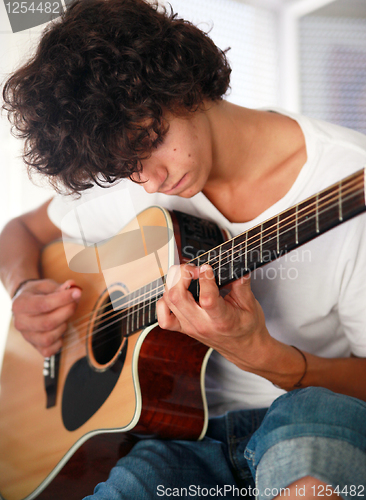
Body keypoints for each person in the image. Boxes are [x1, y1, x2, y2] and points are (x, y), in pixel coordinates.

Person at [1, 0, 366, 498]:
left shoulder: (348, 184)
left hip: (312, 413)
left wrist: (262, 355)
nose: (148, 183)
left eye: (148, 144)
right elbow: (18, 233)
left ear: (182, 82)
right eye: (125, 168)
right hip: (173, 436)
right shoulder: (132, 171)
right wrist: (22, 290)